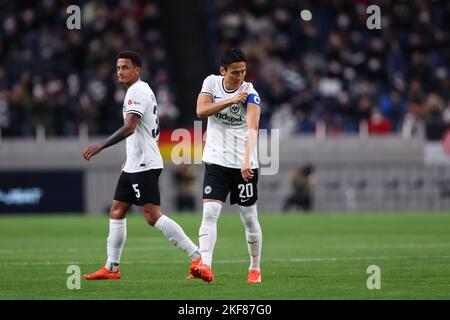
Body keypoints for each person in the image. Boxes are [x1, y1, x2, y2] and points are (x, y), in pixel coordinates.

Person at [81, 50, 201, 280]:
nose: (120, 71)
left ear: (137, 70)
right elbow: (145, 131)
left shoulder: (137, 91)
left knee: (152, 216)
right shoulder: (139, 91)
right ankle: (112, 267)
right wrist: (130, 157)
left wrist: (100, 146)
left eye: (125, 67)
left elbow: (130, 127)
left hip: (144, 163)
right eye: (117, 68)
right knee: (116, 211)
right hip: (135, 162)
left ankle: (197, 257)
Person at [189, 48, 263, 284]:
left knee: (249, 218)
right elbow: (201, 111)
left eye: (243, 72)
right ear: (223, 71)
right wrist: (231, 100)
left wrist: (246, 160)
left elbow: (253, 128)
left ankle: (254, 267)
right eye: (235, 73)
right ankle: (206, 265)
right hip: (216, 160)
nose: (240, 77)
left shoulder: (250, 92)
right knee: (210, 212)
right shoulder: (211, 83)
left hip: (244, 163)